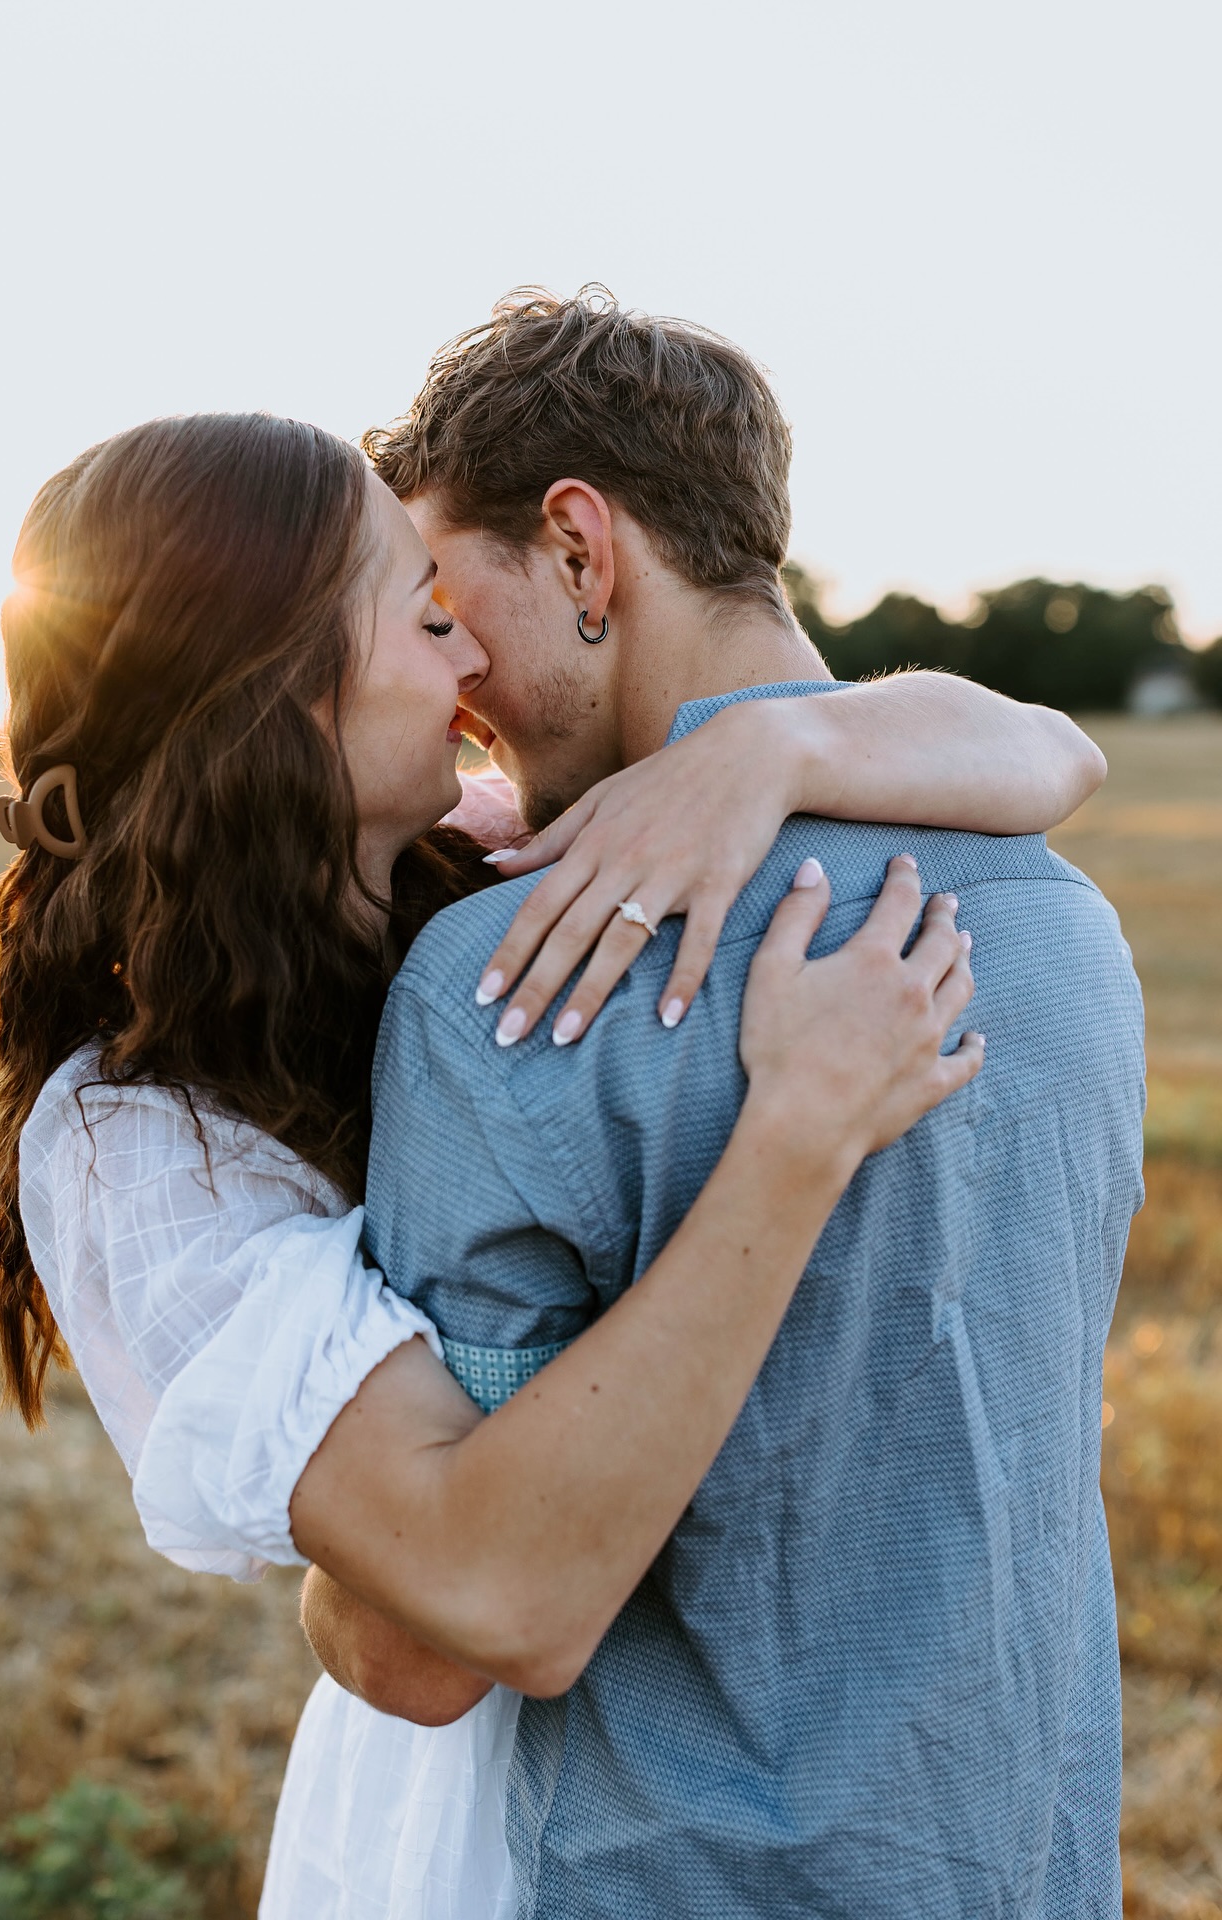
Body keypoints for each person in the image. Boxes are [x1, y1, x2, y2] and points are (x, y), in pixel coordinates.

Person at [0, 408, 1107, 1920]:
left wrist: (772, 744)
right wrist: (799, 1129)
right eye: (423, 613)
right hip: (479, 1837)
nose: (467, 657)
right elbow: (470, 1619)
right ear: (276, 695)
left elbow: (1054, 748)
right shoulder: (144, 1145)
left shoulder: (487, 865)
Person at [319, 290, 1147, 1919]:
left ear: (580, 551)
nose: (452, 669)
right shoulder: (1070, 930)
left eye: (445, 595)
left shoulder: (511, 980)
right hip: (1034, 1869)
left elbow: (420, 1644)